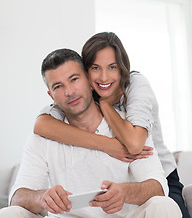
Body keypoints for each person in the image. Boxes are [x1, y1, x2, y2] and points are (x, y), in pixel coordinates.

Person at [0, 49, 181, 218]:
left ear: (89, 79)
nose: (69, 92)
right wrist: (42, 197)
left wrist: (125, 192)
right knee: (9, 214)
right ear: (51, 96)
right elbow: (17, 197)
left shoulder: (127, 128)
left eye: (74, 79)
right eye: (58, 86)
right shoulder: (43, 136)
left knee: (165, 206)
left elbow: (158, 187)